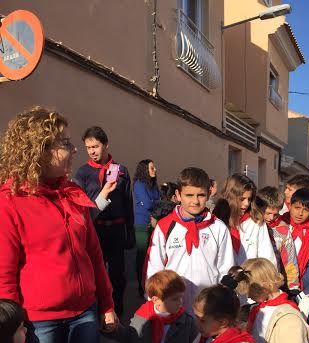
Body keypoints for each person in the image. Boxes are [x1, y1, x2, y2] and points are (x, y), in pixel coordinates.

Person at [0, 107, 117, 343]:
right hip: (38, 321)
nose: (74, 150)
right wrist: (11, 340)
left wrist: (108, 305)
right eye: (66, 143)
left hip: (83, 313)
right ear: (40, 149)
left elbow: (94, 255)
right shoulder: (10, 201)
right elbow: (4, 276)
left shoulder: (72, 194)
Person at [145, 167, 234, 314]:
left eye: (201, 195)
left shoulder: (218, 227)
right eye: (189, 195)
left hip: (208, 307)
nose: (195, 201)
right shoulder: (165, 226)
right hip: (172, 307)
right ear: (178, 195)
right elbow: (154, 268)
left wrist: (223, 301)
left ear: (209, 194)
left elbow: (226, 266)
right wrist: (153, 304)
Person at [75, 126, 135, 315]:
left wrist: (130, 232)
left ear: (106, 145)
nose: (92, 151)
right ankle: (99, 311)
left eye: (96, 146)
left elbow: (128, 203)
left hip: (116, 230)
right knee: (95, 273)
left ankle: (117, 311)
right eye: (88, 147)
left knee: (117, 275)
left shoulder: (121, 171)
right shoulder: (83, 173)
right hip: (95, 230)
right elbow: (80, 206)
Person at [213, 174, 277, 267]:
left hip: (252, 279)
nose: (246, 203)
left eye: (249, 199)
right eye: (242, 199)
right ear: (230, 197)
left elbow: (267, 257)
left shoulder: (256, 222)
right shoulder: (216, 221)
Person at [255, 187, 299, 290]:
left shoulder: (282, 230)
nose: (271, 218)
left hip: (273, 284)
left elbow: (289, 261)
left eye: (275, 214)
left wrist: (293, 287)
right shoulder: (251, 226)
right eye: (268, 213)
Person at [282, 189, 309, 294]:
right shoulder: (278, 225)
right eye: (297, 208)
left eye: (306, 210)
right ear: (290, 205)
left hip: (299, 288)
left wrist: (301, 288)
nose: (300, 213)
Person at [133, 159, 160, 295]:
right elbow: (149, 204)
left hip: (154, 223)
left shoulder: (153, 185)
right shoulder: (139, 184)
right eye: (151, 168)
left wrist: (154, 202)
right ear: (145, 170)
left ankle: (151, 283)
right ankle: (141, 284)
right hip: (142, 224)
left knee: (152, 255)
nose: (154, 170)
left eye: (154, 168)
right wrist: (155, 202)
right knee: (143, 255)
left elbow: (156, 202)